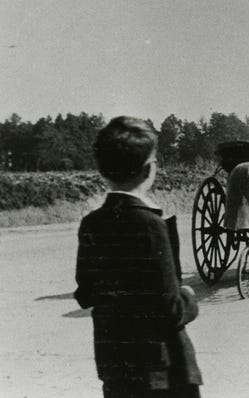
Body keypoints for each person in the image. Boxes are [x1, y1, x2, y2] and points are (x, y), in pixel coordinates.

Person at [74, 116, 203, 398]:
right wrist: (189, 298)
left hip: (115, 365)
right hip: (161, 369)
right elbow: (170, 308)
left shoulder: (92, 224)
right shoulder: (151, 224)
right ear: (149, 170)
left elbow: (85, 294)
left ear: (102, 169)